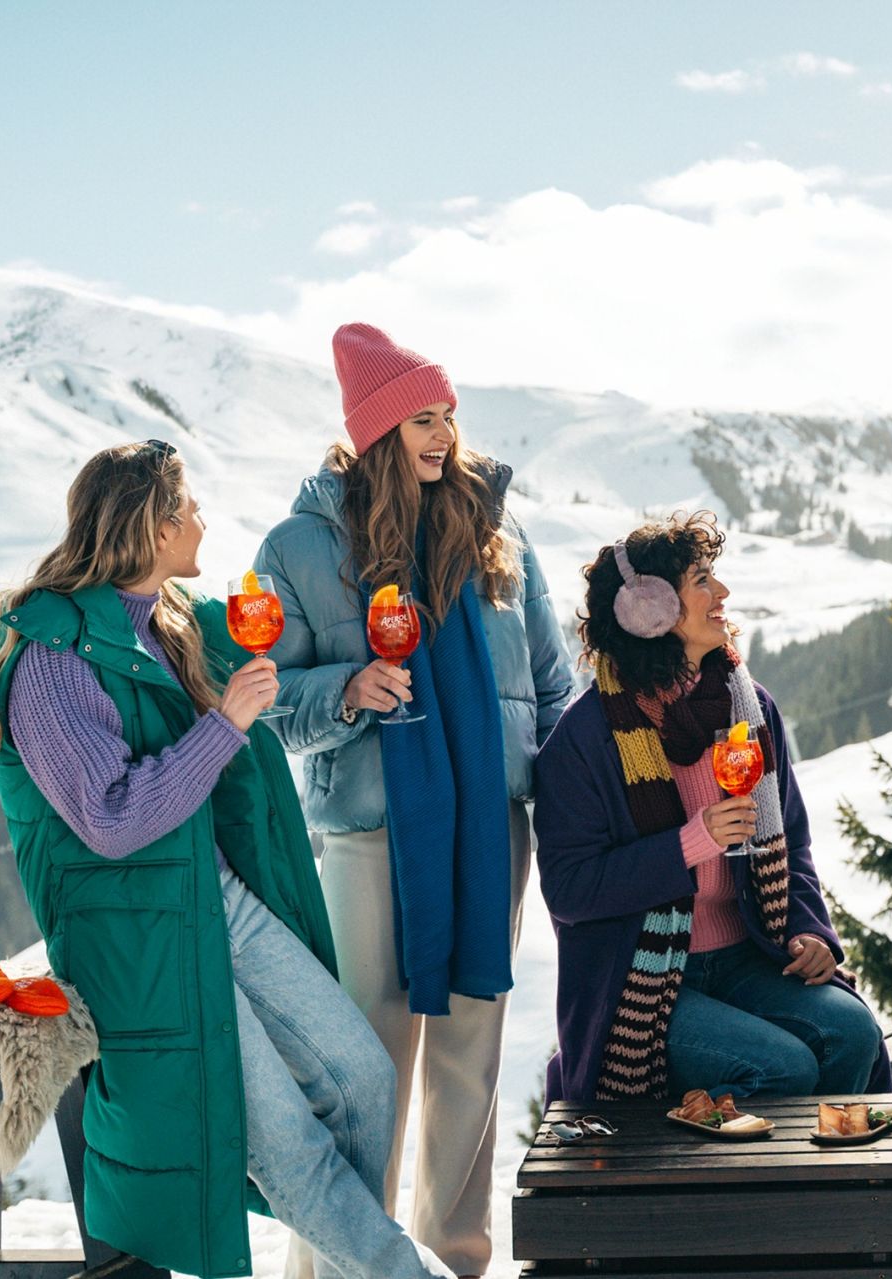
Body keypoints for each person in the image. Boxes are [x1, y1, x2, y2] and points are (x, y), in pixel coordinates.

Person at [0, 440, 449, 1279]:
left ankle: (362, 1266)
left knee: (364, 1076)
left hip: (216, 898)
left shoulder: (172, 622)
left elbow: (272, 694)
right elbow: (113, 819)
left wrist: (330, 685)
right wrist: (223, 725)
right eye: (187, 509)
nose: (202, 522)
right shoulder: (51, 660)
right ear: (150, 525)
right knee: (286, 1140)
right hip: (142, 935)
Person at [254, 323, 574, 1279]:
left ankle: (455, 1262)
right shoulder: (303, 546)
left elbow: (552, 683)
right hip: (368, 828)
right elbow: (266, 698)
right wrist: (345, 692)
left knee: (470, 1050)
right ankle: (344, 1267)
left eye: (448, 416)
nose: (442, 436)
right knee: (368, 1062)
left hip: (490, 824)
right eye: (421, 419)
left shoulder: (495, 530)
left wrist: (555, 787)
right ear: (374, 431)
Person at [532, 512, 892, 1104]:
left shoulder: (749, 708)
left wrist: (808, 929)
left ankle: (821, 1192)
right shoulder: (586, 737)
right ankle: (729, 1187)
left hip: (747, 956)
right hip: (638, 982)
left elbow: (791, 843)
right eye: (702, 580)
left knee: (852, 1034)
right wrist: (689, 843)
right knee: (785, 1069)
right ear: (648, 609)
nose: (722, 593)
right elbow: (570, 890)